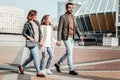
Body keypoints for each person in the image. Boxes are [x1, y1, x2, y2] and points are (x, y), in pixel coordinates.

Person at [55, 3, 83, 75]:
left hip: (72, 37)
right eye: (69, 7)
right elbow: (60, 29)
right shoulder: (63, 17)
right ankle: (71, 69)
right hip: (66, 37)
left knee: (68, 53)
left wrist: (80, 35)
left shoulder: (73, 16)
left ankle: (58, 64)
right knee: (70, 53)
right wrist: (59, 39)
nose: (71, 9)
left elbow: (76, 27)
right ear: (66, 8)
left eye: (72, 8)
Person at [18, 10, 45, 77]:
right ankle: (38, 72)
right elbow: (23, 33)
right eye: (35, 15)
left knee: (31, 57)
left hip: (36, 42)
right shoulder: (27, 24)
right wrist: (29, 37)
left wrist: (41, 40)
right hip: (31, 42)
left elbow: (40, 32)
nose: (37, 17)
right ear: (32, 16)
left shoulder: (37, 22)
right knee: (36, 56)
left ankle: (22, 66)